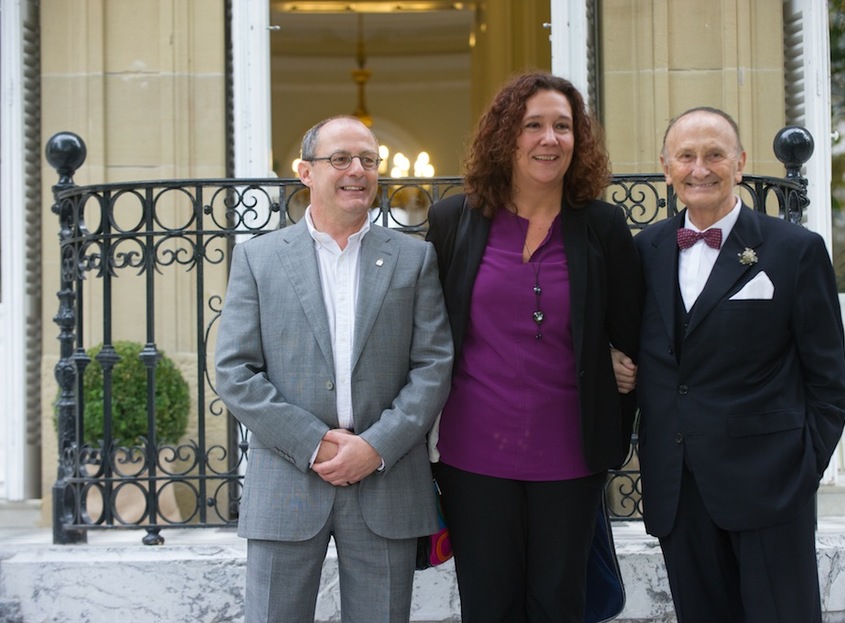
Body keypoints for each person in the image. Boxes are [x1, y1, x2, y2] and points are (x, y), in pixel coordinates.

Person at [215, 116, 454, 623]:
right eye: (340, 159)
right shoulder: (258, 259)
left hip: (384, 481)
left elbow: (433, 366)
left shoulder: (414, 259)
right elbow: (235, 371)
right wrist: (313, 442)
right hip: (286, 479)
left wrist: (375, 447)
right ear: (305, 171)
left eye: (368, 160)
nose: (357, 171)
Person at [425, 72, 643, 623]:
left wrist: (618, 366)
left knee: (558, 603)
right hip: (473, 454)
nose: (550, 139)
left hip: (571, 453)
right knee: (488, 603)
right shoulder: (454, 220)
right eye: (534, 126)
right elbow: (426, 327)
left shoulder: (603, 226)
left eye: (564, 127)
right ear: (506, 137)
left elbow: (630, 331)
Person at [631, 106, 845, 622]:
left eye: (714, 155)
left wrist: (801, 470)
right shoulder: (645, 250)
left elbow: (830, 382)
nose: (700, 169)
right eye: (686, 156)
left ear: (741, 163)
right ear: (666, 167)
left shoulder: (795, 251)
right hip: (679, 491)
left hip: (770, 487)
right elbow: (642, 346)